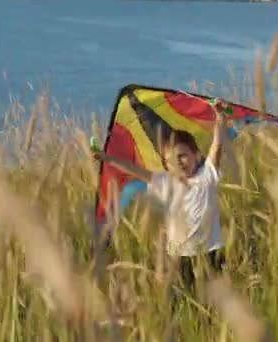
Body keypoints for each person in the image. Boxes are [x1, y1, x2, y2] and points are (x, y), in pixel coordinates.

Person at [92, 98, 231, 306]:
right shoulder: (165, 182)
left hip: (211, 253)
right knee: (180, 303)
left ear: (196, 155)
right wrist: (107, 158)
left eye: (183, 156)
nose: (179, 163)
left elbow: (217, 144)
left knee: (213, 304)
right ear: (166, 165)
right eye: (171, 161)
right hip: (179, 257)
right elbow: (135, 170)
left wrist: (219, 117)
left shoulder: (207, 176)